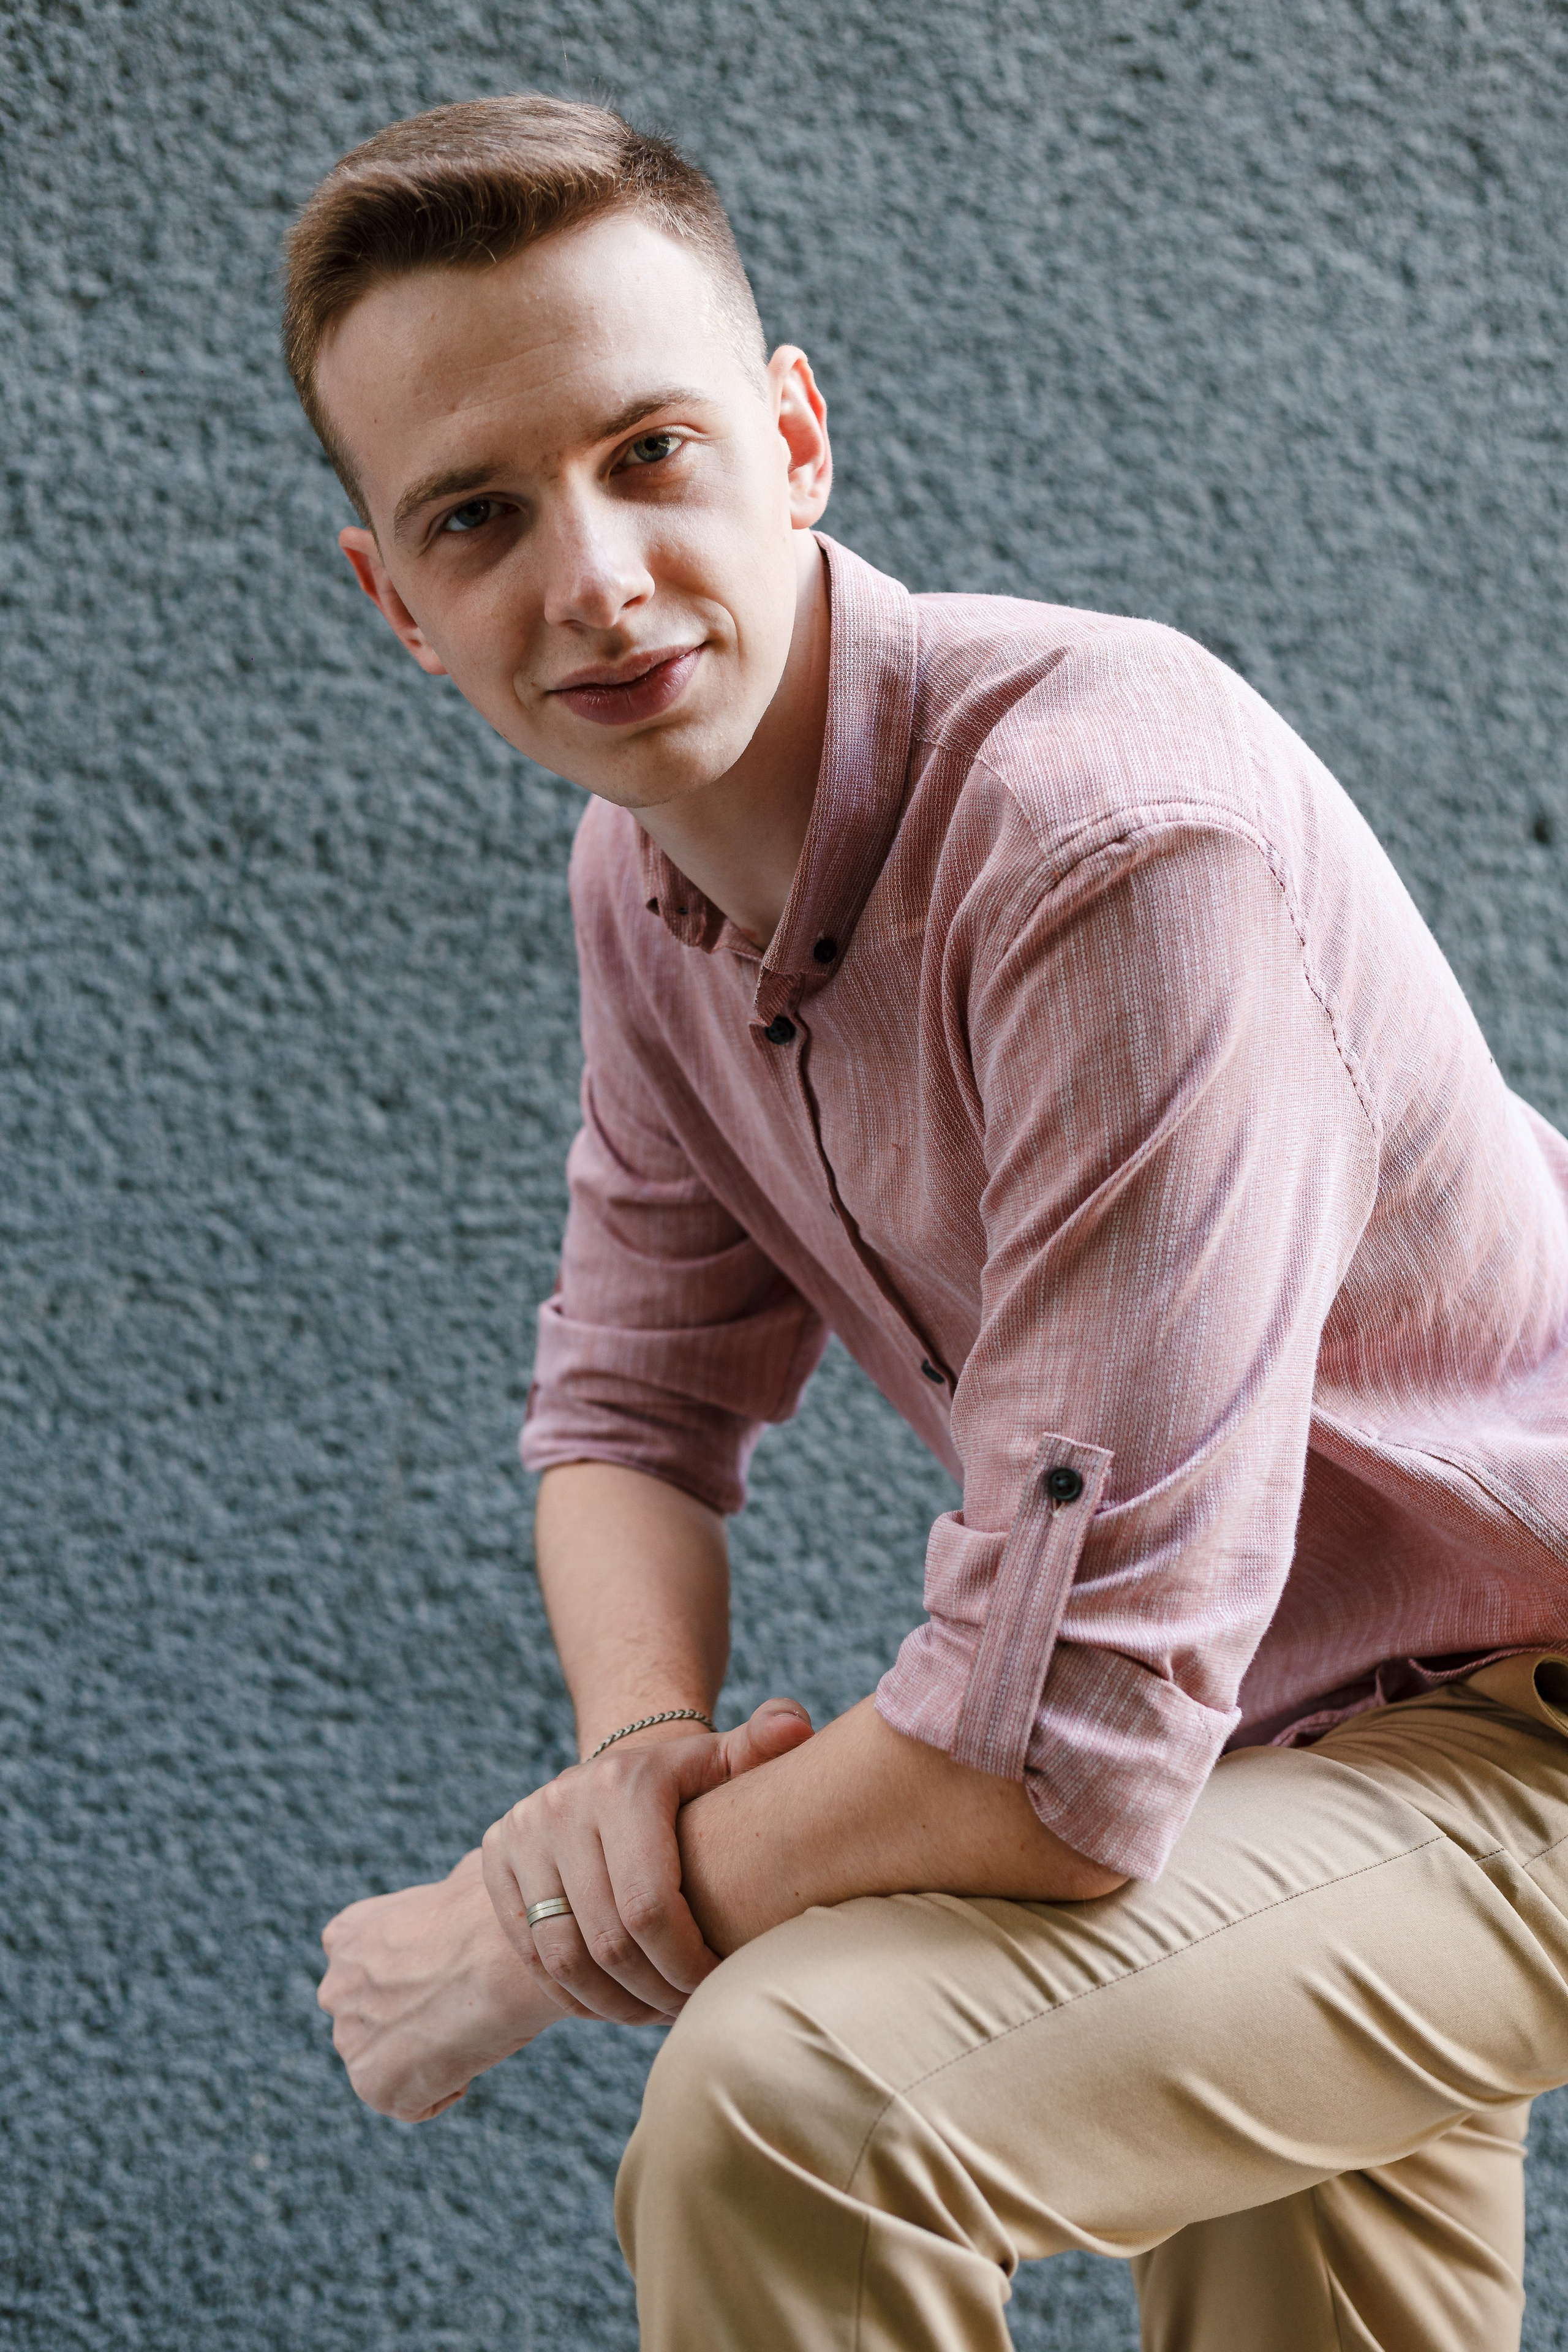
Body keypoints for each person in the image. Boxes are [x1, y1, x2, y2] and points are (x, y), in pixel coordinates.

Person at [295, 93, 1568, 2351]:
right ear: (397, 600)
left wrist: (528, 1935)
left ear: (795, 439)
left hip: (1516, 1725)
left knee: (794, 2105)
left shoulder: (1112, 846)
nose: (588, 579)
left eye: (651, 452)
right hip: (1278, 1743)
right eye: (480, 516)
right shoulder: (653, 869)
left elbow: (1053, 1755)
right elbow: (630, 1398)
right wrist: (626, 1770)